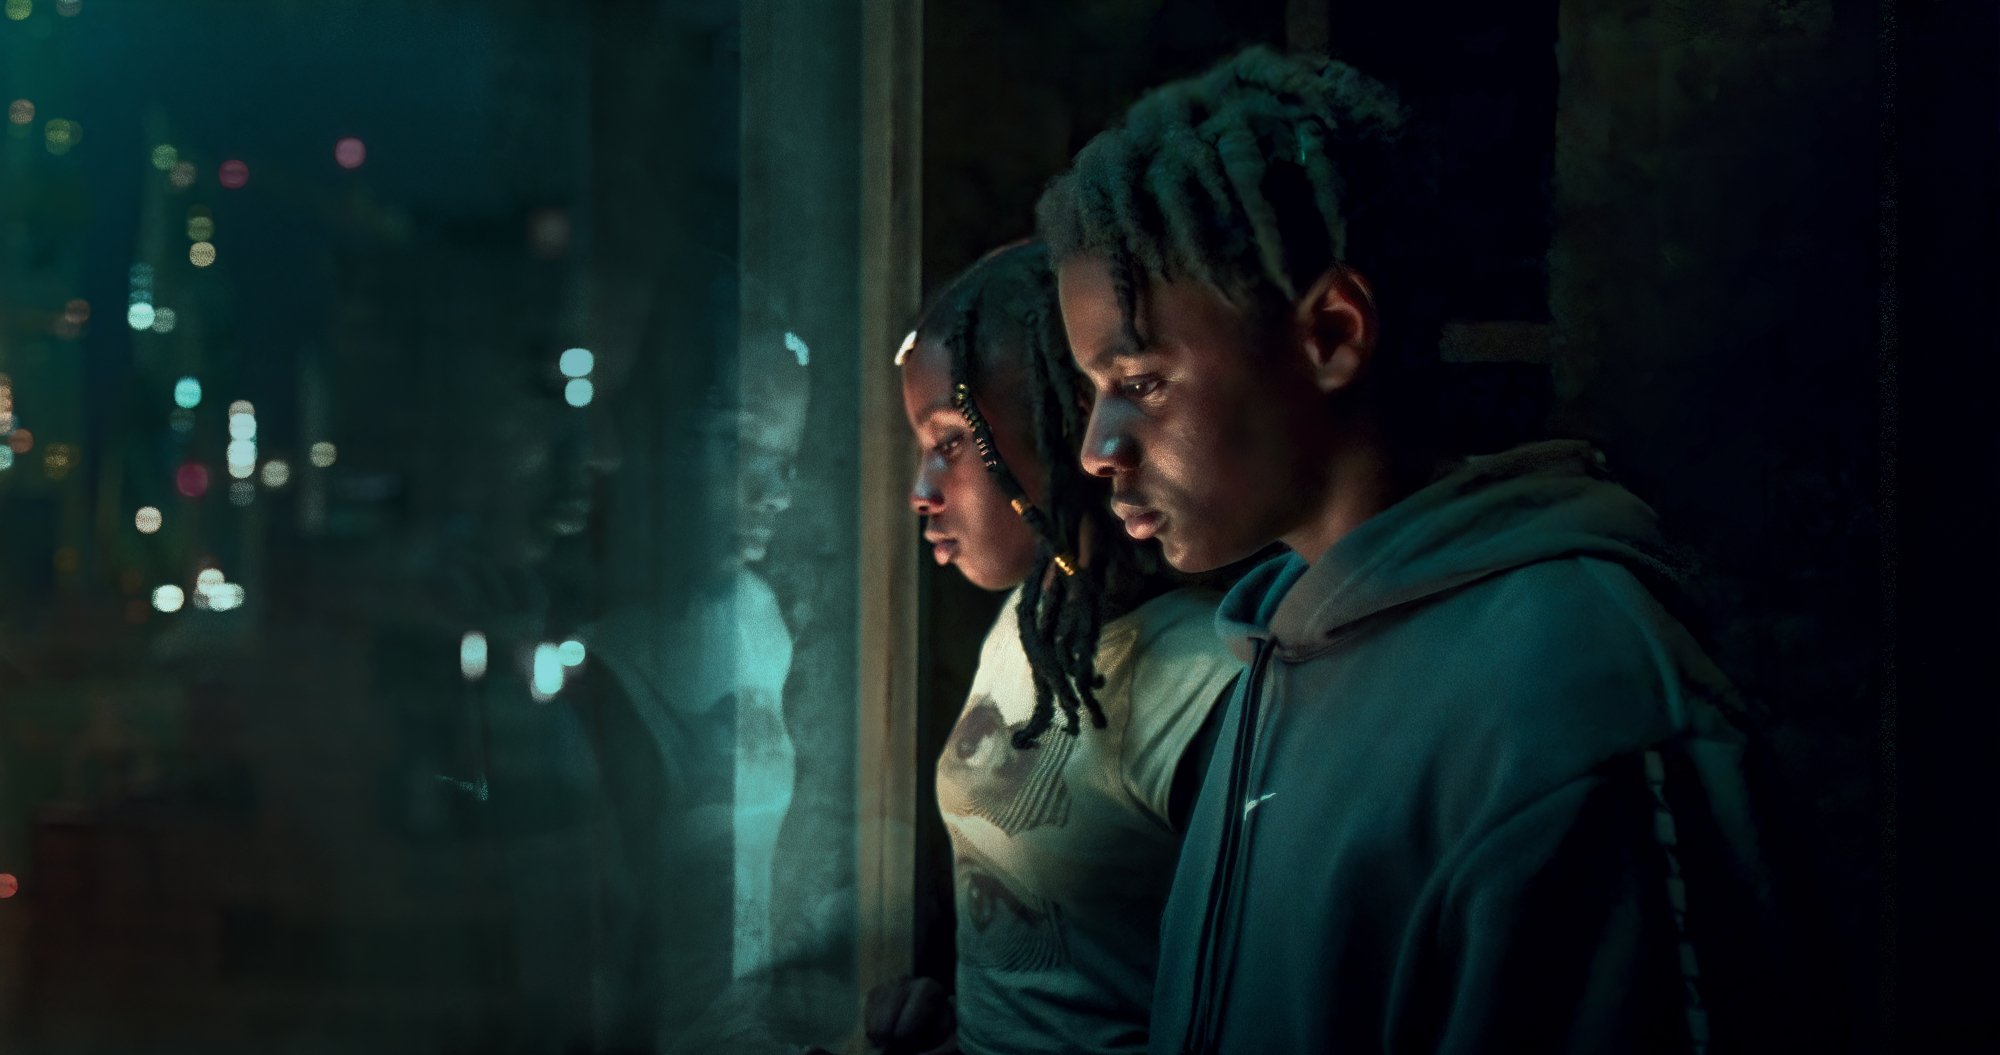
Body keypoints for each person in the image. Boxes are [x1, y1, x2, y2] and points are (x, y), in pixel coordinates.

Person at [1036, 46, 1780, 1054]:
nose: (1096, 447)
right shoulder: (1275, 645)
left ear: (1331, 334)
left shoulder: (1574, 697)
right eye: (1091, 392)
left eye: (1143, 380)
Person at [874, 242, 1241, 1055]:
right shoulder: (1028, 616)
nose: (921, 489)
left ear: (1063, 417)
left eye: (950, 439)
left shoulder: (1205, 681)